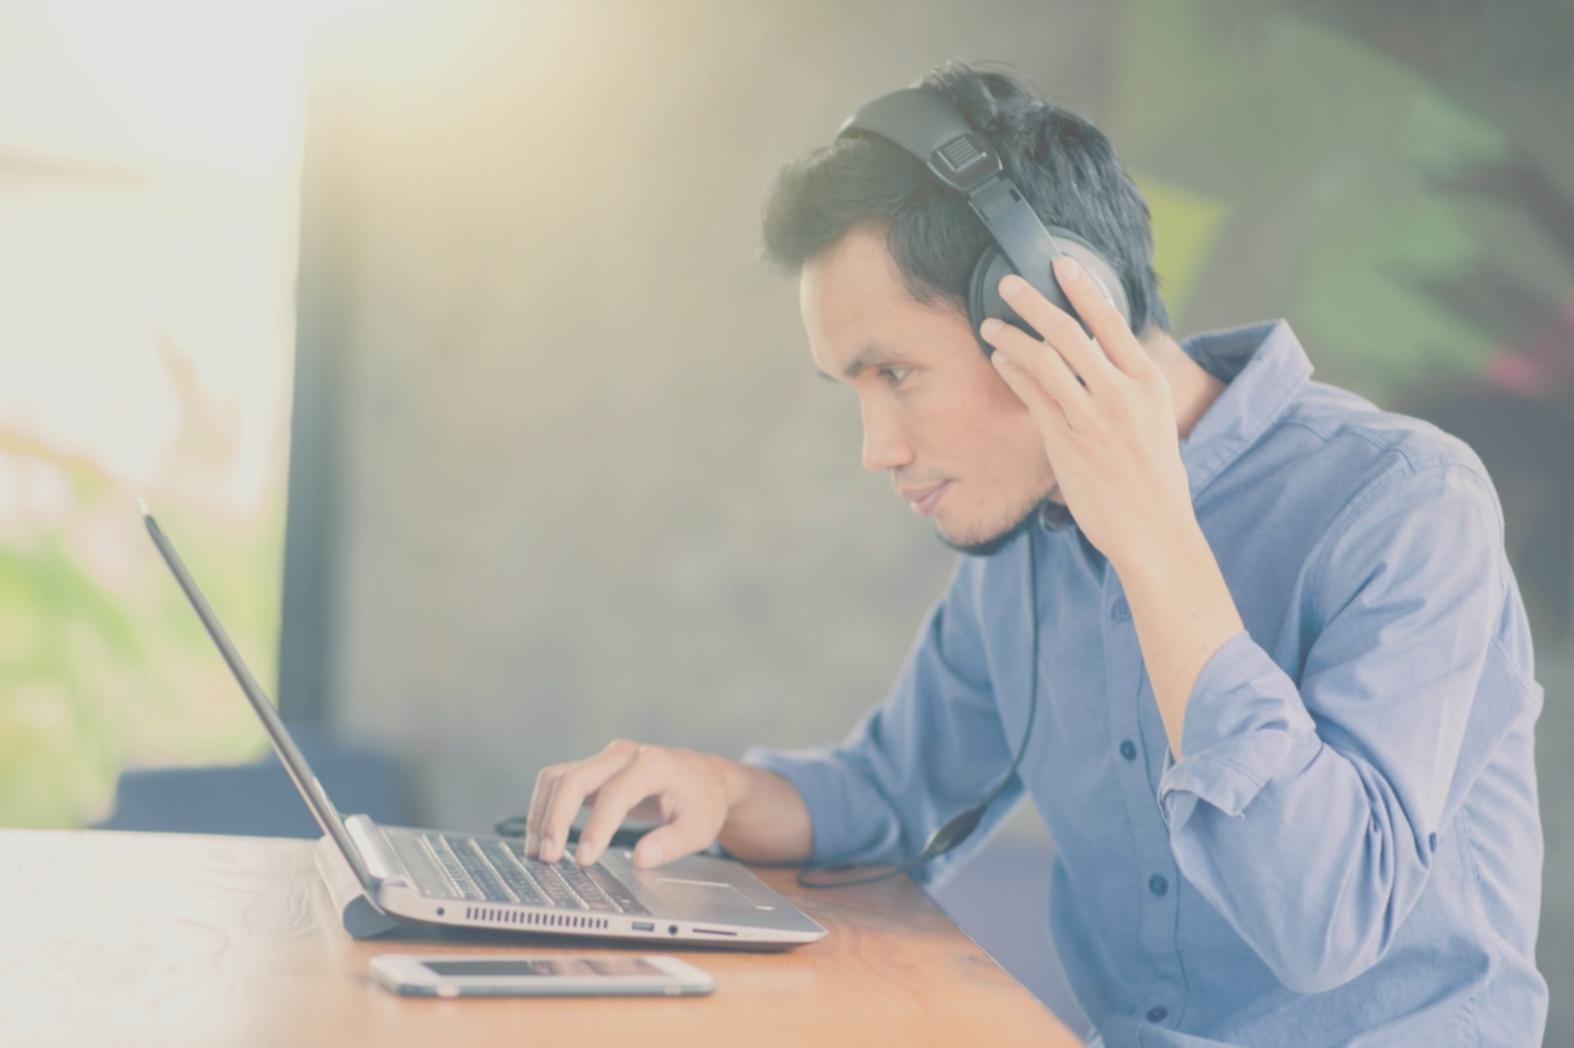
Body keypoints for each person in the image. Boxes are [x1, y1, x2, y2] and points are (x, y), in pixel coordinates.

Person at [521, 63, 1547, 1046]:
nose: (876, 450)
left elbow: (1323, 922)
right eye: (853, 390)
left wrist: (1151, 537)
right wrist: (712, 788)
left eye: (895, 374)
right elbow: (885, 794)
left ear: (1050, 311)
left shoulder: (1401, 504)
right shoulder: (1018, 553)